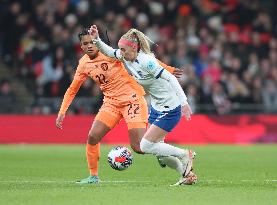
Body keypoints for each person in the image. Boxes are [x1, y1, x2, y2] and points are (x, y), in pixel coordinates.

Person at [55, 28, 183, 184]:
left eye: (91, 42)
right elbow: (72, 89)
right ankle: (93, 177)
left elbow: (143, 59)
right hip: (111, 103)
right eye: (85, 43)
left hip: (132, 100)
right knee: (92, 136)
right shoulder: (83, 64)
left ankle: (161, 153)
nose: (89, 46)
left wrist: (168, 69)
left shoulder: (110, 54)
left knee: (139, 147)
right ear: (81, 47)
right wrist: (62, 111)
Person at [89, 25, 197, 185]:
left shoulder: (147, 61)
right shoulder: (126, 56)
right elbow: (110, 52)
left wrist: (184, 103)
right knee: (160, 155)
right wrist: (97, 40)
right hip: (157, 108)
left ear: (134, 48)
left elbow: (171, 78)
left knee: (145, 145)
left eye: (123, 50)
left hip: (170, 109)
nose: (121, 53)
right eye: (120, 49)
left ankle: (184, 154)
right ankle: (187, 175)